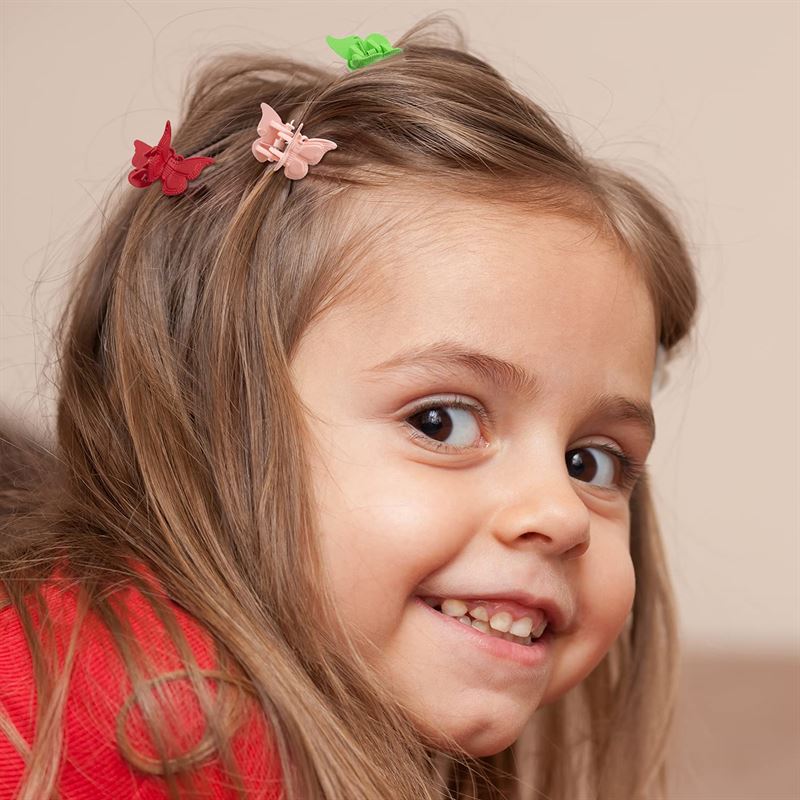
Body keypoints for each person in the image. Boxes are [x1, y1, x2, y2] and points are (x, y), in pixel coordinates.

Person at [0, 12, 699, 800]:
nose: (562, 514)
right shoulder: (158, 725)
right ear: (206, 433)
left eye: (591, 462)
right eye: (442, 421)